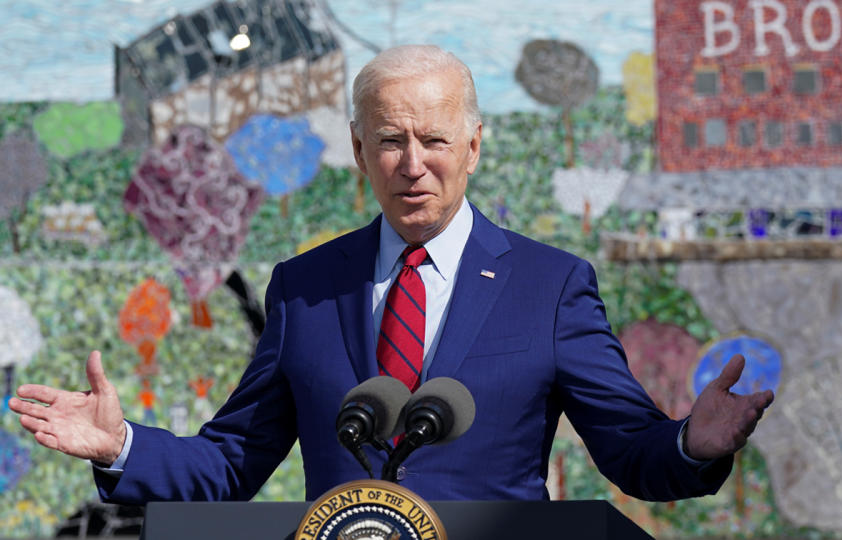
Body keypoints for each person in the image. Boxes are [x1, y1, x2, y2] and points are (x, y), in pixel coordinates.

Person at [10, 45, 773, 503]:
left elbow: (629, 449)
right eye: (390, 141)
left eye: (434, 139)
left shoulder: (551, 287)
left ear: (474, 146)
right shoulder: (305, 287)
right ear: (357, 148)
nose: (413, 165)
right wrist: (123, 448)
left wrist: (692, 446)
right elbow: (232, 462)